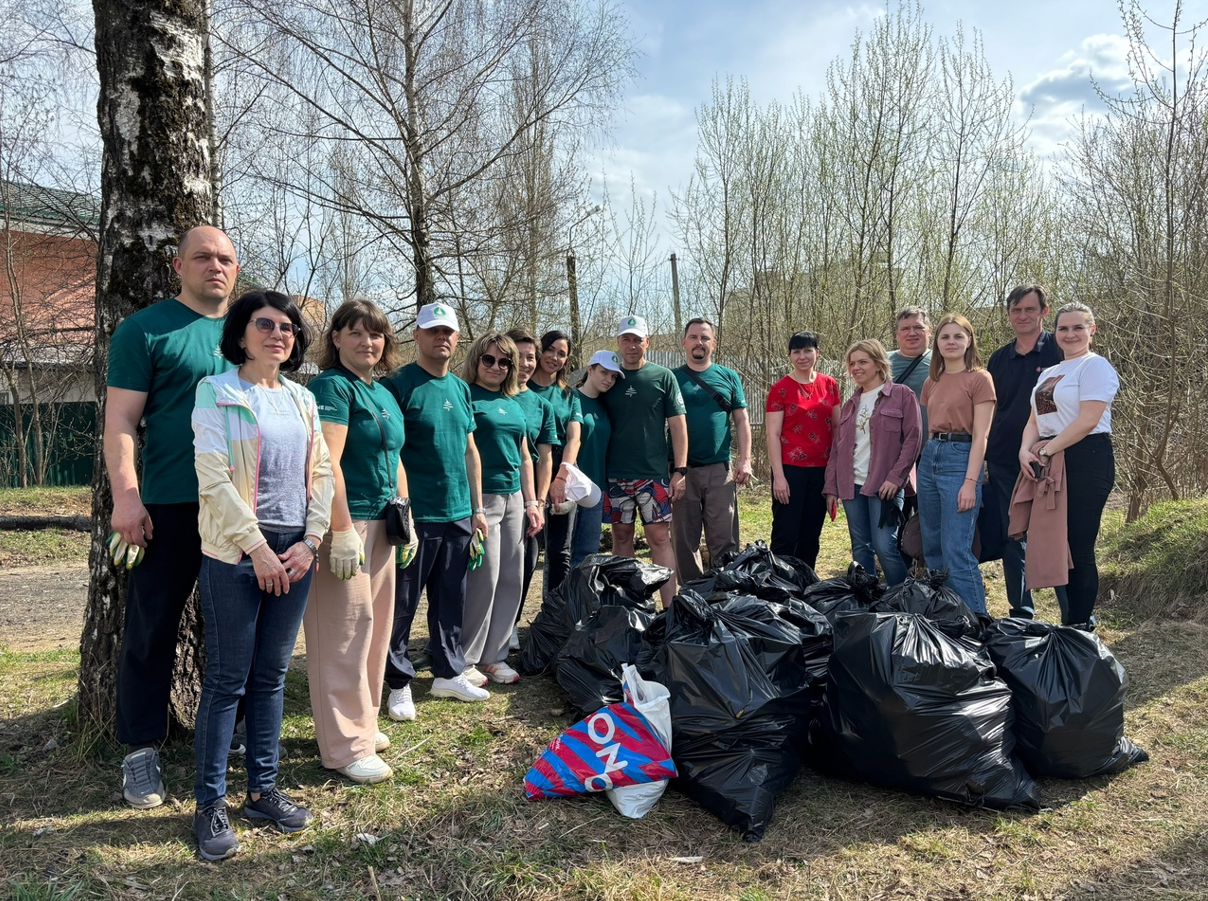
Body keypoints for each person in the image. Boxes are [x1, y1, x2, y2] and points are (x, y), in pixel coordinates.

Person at [190, 290, 334, 861]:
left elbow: (321, 471)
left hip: (295, 550)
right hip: (234, 553)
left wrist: (311, 541)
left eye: (288, 328)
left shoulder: (302, 399)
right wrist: (257, 547)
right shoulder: (217, 391)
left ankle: (263, 791)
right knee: (228, 679)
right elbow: (213, 477)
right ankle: (210, 803)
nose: (279, 334)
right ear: (241, 334)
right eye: (265, 324)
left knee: (272, 676)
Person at [103, 225, 240, 810]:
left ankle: (232, 738)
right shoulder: (144, 330)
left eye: (226, 258)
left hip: (240, 507)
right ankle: (140, 751)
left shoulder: (252, 327)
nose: (216, 266)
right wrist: (127, 497)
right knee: (153, 628)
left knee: (235, 630)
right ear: (178, 265)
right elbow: (120, 424)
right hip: (170, 504)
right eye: (203, 256)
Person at [303, 299, 415, 786]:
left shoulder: (384, 393)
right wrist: (341, 528)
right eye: (356, 333)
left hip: (385, 525)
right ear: (336, 339)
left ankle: (363, 721)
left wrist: (405, 517)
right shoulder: (330, 387)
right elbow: (325, 463)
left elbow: (396, 458)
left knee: (375, 628)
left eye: (376, 334)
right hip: (347, 525)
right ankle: (344, 746)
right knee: (343, 632)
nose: (367, 342)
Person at [382, 303, 490, 721]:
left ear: (457, 339)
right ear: (417, 335)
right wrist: (403, 510)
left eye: (447, 331)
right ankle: (398, 682)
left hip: (459, 513)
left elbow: (469, 451)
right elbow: (391, 451)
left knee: (451, 597)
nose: (440, 338)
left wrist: (477, 509)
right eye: (432, 331)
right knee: (404, 601)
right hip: (418, 513)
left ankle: (448, 672)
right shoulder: (400, 385)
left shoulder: (461, 389)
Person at [1019, 302, 1118, 629]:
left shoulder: (1095, 366)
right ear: (1055, 333)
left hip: (1086, 457)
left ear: (1092, 330)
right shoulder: (1049, 373)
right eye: (1064, 328)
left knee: (1078, 546)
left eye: (1078, 327)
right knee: (1059, 545)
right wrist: (1025, 452)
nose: (1071, 334)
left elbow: (1088, 420)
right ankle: (1071, 625)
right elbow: (1035, 420)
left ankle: (1080, 628)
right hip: (1052, 456)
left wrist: (1047, 452)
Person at [459, 333, 544, 685]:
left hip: (514, 500)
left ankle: (495, 656)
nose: (496, 367)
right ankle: (465, 658)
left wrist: (532, 502)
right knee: (485, 576)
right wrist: (476, 506)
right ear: (477, 360)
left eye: (504, 362)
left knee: (512, 576)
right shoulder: (466, 396)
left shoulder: (514, 402)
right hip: (482, 498)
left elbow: (525, 456)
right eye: (489, 360)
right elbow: (464, 452)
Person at [986, 284, 1066, 619]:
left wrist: (1048, 446)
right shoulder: (998, 358)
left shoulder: (1059, 352)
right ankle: (1022, 612)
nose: (1023, 316)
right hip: (1004, 458)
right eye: (1016, 310)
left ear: (1044, 312)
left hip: (1053, 456)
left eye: (1030, 310)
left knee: (1057, 535)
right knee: (1013, 534)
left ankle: (1072, 615)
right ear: (1008, 315)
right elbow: (991, 410)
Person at [598, 314, 688, 608]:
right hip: (615, 475)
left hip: (653, 475)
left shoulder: (663, 377)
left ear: (647, 342)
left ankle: (670, 608)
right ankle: (628, 607)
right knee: (621, 536)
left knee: (659, 538)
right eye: (627, 339)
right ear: (618, 342)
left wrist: (680, 470)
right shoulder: (607, 377)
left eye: (638, 339)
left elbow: (678, 425)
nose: (632, 345)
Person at [824, 339, 921, 586]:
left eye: (863, 362)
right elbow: (838, 450)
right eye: (852, 363)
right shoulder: (850, 404)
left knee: (884, 546)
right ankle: (868, 602)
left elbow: (913, 441)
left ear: (878, 364)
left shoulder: (901, 395)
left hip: (884, 485)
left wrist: (895, 478)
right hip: (851, 485)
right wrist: (832, 488)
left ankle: (902, 599)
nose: (856, 367)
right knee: (860, 547)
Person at [917, 313, 996, 614]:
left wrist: (970, 482)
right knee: (933, 548)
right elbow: (928, 430)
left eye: (957, 336)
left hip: (960, 460)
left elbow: (981, 436)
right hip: (931, 457)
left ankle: (979, 622)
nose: (951, 342)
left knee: (957, 550)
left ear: (969, 341)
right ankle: (949, 618)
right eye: (945, 337)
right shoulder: (932, 381)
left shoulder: (980, 378)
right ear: (936, 343)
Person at [671, 318, 752, 582]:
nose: (699, 342)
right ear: (684, 342)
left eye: (705, 338)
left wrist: (745, 460)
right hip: (682, 472)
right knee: (684, 540)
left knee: (725, 538)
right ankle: (693, 595)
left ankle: (725, 595)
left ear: (713, 344)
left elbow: (741, 420)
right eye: (694, 337)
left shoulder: (728, 377)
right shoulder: (672, 378)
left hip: (720, 470)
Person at [765, 331, 841, 569]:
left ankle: (805, 585)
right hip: (790, 470)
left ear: (817, 353)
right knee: (785, 534)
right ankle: (779, 586)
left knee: (811, 534)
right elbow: (773, 434)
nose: (802, 356)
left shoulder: (830, 385)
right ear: (790, 356)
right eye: (796, 351)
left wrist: (835, 476)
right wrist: (779, 476)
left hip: (821, 471)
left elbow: (838, 430)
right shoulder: (781, 388)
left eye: (807, 350)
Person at [505, 327, 557, 650]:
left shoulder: (541, 406)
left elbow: (544, 458)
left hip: (529, 500)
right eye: (519, 356)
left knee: (528, 560)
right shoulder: (486, 393)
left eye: (531, 357)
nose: (526, 364)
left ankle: (511, 623)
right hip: (491, 493)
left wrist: (537, 501)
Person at [526, 330, 583, 595]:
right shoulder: (520, 389)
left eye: (562, 354)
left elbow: (574, 439)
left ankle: (554, 617)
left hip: (562, 470)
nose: (555, 357)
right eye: (550, 350)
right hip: (528, 469)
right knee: (527, 549)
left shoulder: (569, 395)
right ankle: (510, 622)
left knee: (560, 551)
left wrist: (561, 478)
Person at [569, 350, 624, 569]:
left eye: (613, 376)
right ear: (589, 369)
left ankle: (580, 601)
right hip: (570, 487)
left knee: (587, 553)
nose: (608, 380)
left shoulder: (606, 405)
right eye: (604, 372)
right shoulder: (569, 398)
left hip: (595, 490)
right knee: (562, 553)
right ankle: (556, 601)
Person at [888, 306, 932, 530]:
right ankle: (898, 562)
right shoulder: (882, 363)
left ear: (929, 331)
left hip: (930, 452)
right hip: (892, 454)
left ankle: (925, 562)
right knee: (896, 512)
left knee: (929, 511)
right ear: (897, 334)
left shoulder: (942, 361)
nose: (911, 333)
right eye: (905, 328)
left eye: (918, 327)